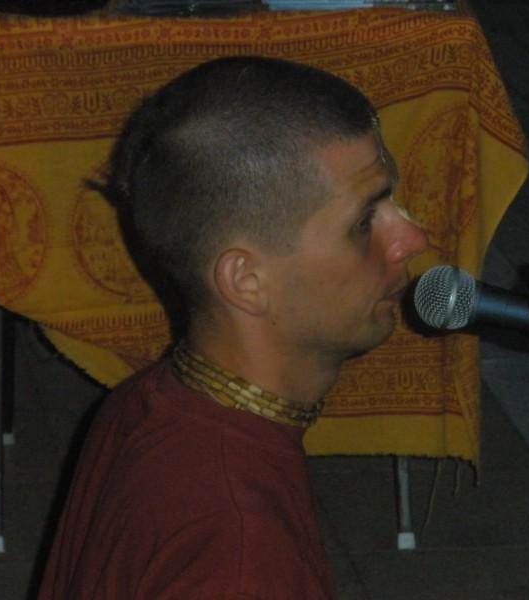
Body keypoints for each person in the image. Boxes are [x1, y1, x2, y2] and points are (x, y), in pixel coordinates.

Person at [38, 56, 428, 599]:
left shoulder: (146, 401)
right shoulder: (242, 561)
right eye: (364, 221)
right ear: (246, 281)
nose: (411, 239)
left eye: (392, 204)